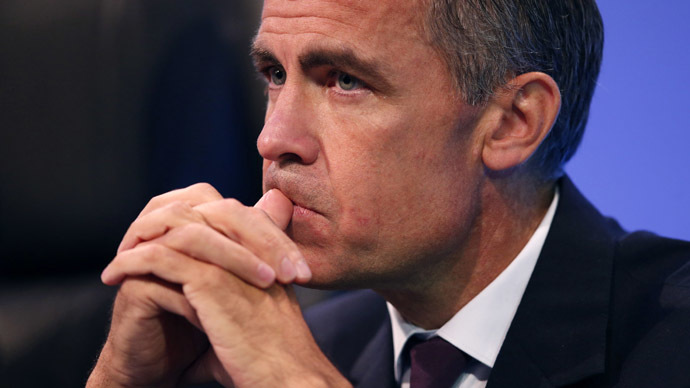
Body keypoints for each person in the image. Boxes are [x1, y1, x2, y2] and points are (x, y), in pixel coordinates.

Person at [87, 0, 690, 387]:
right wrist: (118, 380)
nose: (273, 140)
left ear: (512, 122)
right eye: (275, 74)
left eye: (345, 81)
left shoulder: (670, 342)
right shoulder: (300, 344)